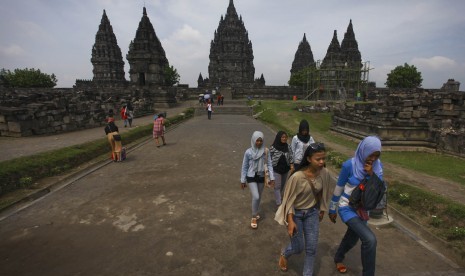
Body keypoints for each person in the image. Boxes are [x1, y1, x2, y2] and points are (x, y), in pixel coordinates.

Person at [275, 143, 336, 275]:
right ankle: (285, 253)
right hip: (295, 214)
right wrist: (290, 221)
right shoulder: (297, 177)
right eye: (318, 159)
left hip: (312, 213)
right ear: (308, 159)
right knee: (298, 248)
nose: (321, 162)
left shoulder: (324, 173)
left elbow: (322, 191)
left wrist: (322, 209)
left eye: (323, 159)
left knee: (311, 249)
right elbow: (288, 201)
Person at [328, 136, 383, 276]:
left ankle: (338, 257)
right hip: (347, 207)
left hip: (363, 210)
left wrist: (371, 174)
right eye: (371, 154)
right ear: (363, 150)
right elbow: (339, 188)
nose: (373, 158)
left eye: (376, 155)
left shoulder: (378, 166)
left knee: (352, 238)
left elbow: (378, 188)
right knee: (370, 240)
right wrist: (332, 208)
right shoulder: (349, 165)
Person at [240, 131, 275, 229]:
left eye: (261, 141)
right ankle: (254, 216)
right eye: (257, 141)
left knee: (259, 197)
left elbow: (269, 165)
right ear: (253, 140)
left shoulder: (265, 151)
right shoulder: (248, 152)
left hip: (261, 177)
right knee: (255, 196)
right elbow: (245, 166)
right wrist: (243, 180)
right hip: (251, 176)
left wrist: (272, 178)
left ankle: (255, 211)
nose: (259, 143)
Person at [269, 131, 294, 207]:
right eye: (282, 137)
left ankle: (279, 198)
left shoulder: (288, 147)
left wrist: (291, 164)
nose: (284, 139)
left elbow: (291, 156)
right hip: (276, 170)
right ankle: (279, 204)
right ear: (279, 138)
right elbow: (269, 159)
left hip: (285, 170)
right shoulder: (273, 148)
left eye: (285, 137)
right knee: (277, 187)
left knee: (282, 186)